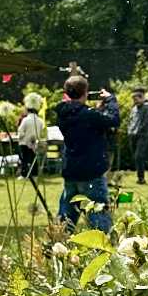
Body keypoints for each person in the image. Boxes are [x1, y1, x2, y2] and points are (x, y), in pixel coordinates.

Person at [56, 75, 120, 231]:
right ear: (85, 92)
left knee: (67, 213)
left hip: (71, 169)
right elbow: (113, 120)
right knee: (98, 213)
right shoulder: (89, 115)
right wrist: (110, 100)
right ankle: (103, 246)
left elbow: (84, 123)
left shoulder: (63, 114)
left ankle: (59, 242)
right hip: (91, 170)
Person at [127, 88, 148, 185]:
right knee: (135, 157)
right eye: (133, 99)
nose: (134, 101)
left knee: (139, 156)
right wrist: (129, 130)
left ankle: (141, 178)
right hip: (132, 135)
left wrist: (139, 131)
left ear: (142, 97)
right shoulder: (134, 108)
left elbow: (147, 122)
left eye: (136, 99)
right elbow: (131, 120)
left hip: (143, 135)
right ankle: (139, 176)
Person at [16, 98, 46, 178]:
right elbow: (41, 132)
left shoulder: (25, 120)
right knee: (33, 159)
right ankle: (35, 174)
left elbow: (21, 131)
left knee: (24, 159)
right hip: (34, 142)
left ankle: (24, 174)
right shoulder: (40, 120)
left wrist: (19, 137)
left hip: (24, 142)